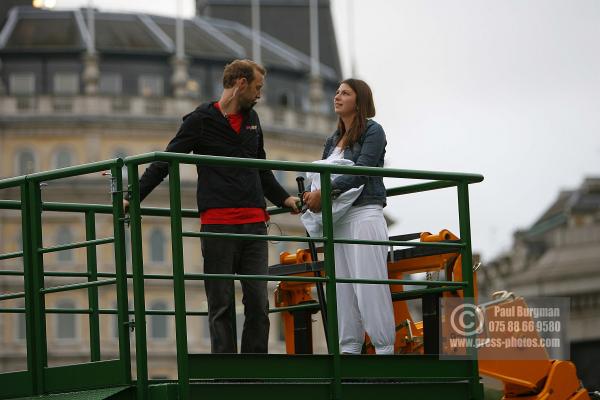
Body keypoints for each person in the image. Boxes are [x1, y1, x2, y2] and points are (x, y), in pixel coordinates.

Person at [124, 59, 299, 353]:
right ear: (240, 83)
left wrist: (285, 199)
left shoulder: (254, 121)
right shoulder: (200, 120)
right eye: (257, 87)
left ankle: (254, 371)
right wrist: (134, 195)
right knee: (221, 303)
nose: (259, 94)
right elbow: (165, 161)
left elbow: (263, 169)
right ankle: (227, 371)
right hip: (218, 224)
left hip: (255, 225)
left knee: (258, 302)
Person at [303, 78, 395, 355]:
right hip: (339, 218)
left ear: (360, 100)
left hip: (364, 213)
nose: (337, 97)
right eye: (337, 92)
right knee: (342, 288)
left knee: (369, 284)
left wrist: (326, 190)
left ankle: (384, 349)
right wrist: (311, 195)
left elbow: (364, 168)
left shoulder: (373, 131)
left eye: (345, 93)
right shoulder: (332, 139)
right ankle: (349, 350)